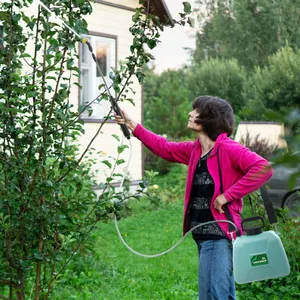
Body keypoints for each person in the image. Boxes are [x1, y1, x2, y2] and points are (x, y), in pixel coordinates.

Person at [114, 96, 273, 300]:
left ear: (208, 118)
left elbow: (264, 169)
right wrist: (132, 124)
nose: (190, 114)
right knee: (220, 294)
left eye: (196, 111)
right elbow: (164, 147)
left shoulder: (228, 148)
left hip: (219, 234)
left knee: (212, 296)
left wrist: (227, 196)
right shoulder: (195, 150)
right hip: (203, 236)